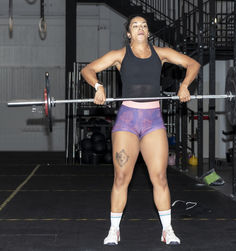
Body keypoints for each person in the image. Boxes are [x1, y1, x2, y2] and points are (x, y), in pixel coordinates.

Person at [81, 15, 200, 245]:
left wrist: (185, 85)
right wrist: (98, 86)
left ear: (148, 31)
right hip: (127, 120)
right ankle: (114, 230)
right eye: (135, 26)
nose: (140, 28)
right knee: (121, 177)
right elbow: (88, 70)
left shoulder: (161, 53)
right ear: (128, 33)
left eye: (144, 25)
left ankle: (168, 230)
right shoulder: (120, 55)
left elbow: (192, 64)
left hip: (152, 120)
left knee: (160, 177)